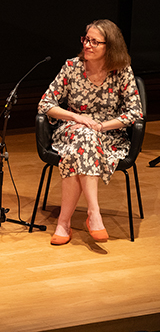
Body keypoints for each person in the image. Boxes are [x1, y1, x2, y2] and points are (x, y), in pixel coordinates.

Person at [38, 19, 143, 245]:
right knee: (84, 137)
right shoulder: (72, 67)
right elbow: (45, 104)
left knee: (80, 147)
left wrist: (101, 126)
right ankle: (93, 214)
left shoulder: (121, 71)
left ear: (110, 46)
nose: (88, 45)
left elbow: (135, 112)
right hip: (71, 130)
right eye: (86, 39)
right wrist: (76, 117)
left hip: (108, 136)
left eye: (95, 42)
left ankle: (64, 223)